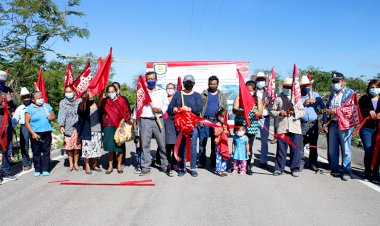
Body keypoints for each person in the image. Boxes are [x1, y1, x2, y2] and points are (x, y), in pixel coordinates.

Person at [136, 72, 172, 177]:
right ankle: (145, 166)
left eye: (152, 79)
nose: (150, 81)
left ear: (156, 80)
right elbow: (137, 106)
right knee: (145, 145)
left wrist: (161, 109)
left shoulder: (161, 92)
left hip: (158, 120)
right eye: (148, 79)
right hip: (145, 120)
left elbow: (166, 104)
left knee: (162, 144)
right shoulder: (142, 92)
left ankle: (165, 165)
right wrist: (135, 120)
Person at [168, 74, 203, 177]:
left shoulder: (197, 95)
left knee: (192, 146)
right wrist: (175, 109)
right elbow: (170, 107)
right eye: (186, 83)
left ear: (194, 84)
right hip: (181, 126)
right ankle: (182, 167)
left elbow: (199, 109)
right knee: (181, 146)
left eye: (190, 83)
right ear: (183, 83)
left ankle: (192, 168)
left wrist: (189, 109)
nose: (188, 84)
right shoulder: (178, 94)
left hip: (193, 125)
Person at [323, 72, 355, 181]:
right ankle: (334, 168)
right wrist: (326, 119)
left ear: (342, 82)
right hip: (333, 124)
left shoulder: (350, 93)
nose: (335, 83)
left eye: (337, 81)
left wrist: (335, 110)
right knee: (332, 149)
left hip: (345, 125)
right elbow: (328, 107)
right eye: (333, 81)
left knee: (346, 149)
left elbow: (351, 109)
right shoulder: (332, 94)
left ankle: (346, 171)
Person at [270, 77, 304, 177]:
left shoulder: (297, 99)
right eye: (285, 86)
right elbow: (272, 111)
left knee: (295, 150)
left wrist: (294, 112)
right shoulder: (278, 98)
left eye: (289, 87)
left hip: (295, 128)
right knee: (281, 149)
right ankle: (279, 168)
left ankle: (295, 168)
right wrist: (280, 113)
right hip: (282, 127)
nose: (287, 88)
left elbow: (302, 112)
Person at [99, 84, 131, 174]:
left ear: (116, 91)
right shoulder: (105, 101)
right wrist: (101, 95)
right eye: (109, 92)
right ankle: (110, 166)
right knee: (110, 147)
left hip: (119, 125)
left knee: (119, 147)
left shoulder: (121, 100)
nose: (111, 93)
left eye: (112, 91)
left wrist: (123, 119)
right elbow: (99, 107)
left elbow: (127, 112)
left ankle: (119, 165)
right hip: (108, 125)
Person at [232, 80, 263, 175]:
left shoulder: (257, 99)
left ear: (255, 90)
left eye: (250, 90)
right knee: (237, 145)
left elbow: (260, 113)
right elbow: (234, 110)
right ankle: (235, 166)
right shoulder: (239, 98)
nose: (248, 92)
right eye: (246, 90)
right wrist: (242, 111)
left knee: (248, 147)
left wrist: (254, 111)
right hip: (240, 125)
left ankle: (247, 166)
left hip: (251, 126)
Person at [199, 75, 228, 168]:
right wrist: (200, 120)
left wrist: (221, 114)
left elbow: (226, 107)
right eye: (211, 84)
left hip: (216, 122)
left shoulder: (222, 95)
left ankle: (213, 161)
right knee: (202, 142)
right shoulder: (203, 94)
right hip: (205, 120)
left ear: (218, 84)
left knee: (215, 142)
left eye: (214, 84)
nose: (213, 86)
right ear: (208, 84)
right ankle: (201, 162)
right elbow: (199, 107)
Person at [25, 91, 56, 177]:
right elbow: (26, 122)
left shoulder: (47, 106)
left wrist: (51, 117)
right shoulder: (29, 109)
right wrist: (33, 133)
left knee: (46, 151)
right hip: (36, 133)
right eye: (38, 98)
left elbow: (53, 115)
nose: (40, 99)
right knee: (36, 152)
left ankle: (46, 169)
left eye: (41, 97)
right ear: (33, 99)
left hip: (46, 132)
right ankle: (38, 169)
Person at [299, 75, 325, 171]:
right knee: (301, 144)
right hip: (303, 123)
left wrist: (317, 101)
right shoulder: (298, 96)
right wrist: (304, 103)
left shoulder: (315, 94)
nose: (306, 87)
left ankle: (313, 163)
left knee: (313, 144)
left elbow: (322, 106)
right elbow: (295, 107)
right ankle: (300, 163)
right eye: (304, 85)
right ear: (301, 86)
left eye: (307, 85)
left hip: (313, 123)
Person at [359, 79, 380, 182]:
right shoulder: (364, 99)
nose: (374, 89)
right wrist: (368, 111)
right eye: (372, 87)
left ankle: (375, 174)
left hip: (379, 129)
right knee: (368, 150)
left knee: (378, 152)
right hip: (367, 128)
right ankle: (367, 173)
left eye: (376, 87)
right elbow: (359, 111)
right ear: (369, 88)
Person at [77, 91, 102, 175]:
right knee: (86, 150)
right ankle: (87, 166)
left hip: (97, 130)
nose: (92, 94)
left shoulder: (95, 104)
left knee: (96, 148)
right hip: (87, 130)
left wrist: (101, 92)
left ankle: (94, 165)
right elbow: (80, 111)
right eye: (90, 93)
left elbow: (100, 104)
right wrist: (85, 99)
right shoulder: (83, 104)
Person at [0, 70, 17, 182]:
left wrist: (10, 101)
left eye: (4, 81)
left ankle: (6, 171)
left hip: (7, 124)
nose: (3, 83)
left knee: (7, 148)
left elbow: (14, 104)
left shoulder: (8, 90)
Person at [59, 86, 82, 172]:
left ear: (74, 92)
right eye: (67, 92)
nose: (68, 93)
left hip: (77, 126)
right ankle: (71, 164)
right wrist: (61, 125)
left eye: (70, 91)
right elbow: (62, 114)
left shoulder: (79, 100)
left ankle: (76, 163)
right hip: (68, 127)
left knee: (76, 147)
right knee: (69, 147)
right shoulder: (63, 102)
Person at [253, 71, 272, 170]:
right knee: (252, 139)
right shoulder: (252, 92)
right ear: (256, 81)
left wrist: (269, 102)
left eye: (262, 80)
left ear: (265, 81)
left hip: (265, 118)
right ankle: (250, 160)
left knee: (264, 141)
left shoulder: (269, 93)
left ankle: (263, 161)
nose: (261, 81)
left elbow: (274, 107)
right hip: (255, 118)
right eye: (259, 79)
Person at [12, 87, 32, 171]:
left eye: (28, 96)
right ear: (22, 98)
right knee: (24, 146)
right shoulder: (20, 108)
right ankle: (26, 163)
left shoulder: (34, 105)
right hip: (24, 126)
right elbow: (15, 119)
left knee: (37, 143)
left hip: (34, 125)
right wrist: (12, 128)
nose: (27, 98)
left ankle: (40, 159)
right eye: (25, 97)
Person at [112, 81, 131, 166]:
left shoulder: (123, 99)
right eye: (113, 88)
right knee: (111, 143)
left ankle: (121, 161)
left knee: (121, 143)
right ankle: (112, 162)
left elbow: (128, 112)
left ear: (119, 89)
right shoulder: (109, 100)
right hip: (111, 124)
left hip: (121, 125)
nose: (114, 90)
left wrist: (124, 120)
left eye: (116, 88)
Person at [162, 83, 177, 170]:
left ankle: (175, 162)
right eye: (168, 88)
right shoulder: (163, 98)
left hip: (175, 122)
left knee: (175, 144)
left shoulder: (176, 99)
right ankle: (167, 162)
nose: (170, 89)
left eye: (171, 88)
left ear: (174, 89)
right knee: (166, 144)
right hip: (165, 122)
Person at [214, 109, 230, 176]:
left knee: (224, 156)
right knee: (219, 157)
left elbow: (228, 133)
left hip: (224, 143)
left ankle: (223, 169)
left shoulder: (226, 125)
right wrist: (221, 129)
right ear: (219, 117)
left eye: (226, 117)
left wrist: (227, 131)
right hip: (218, 143)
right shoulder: (217, 124)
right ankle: (218, 170)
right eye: (223, 117)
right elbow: (216, 134)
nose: (224, 119)